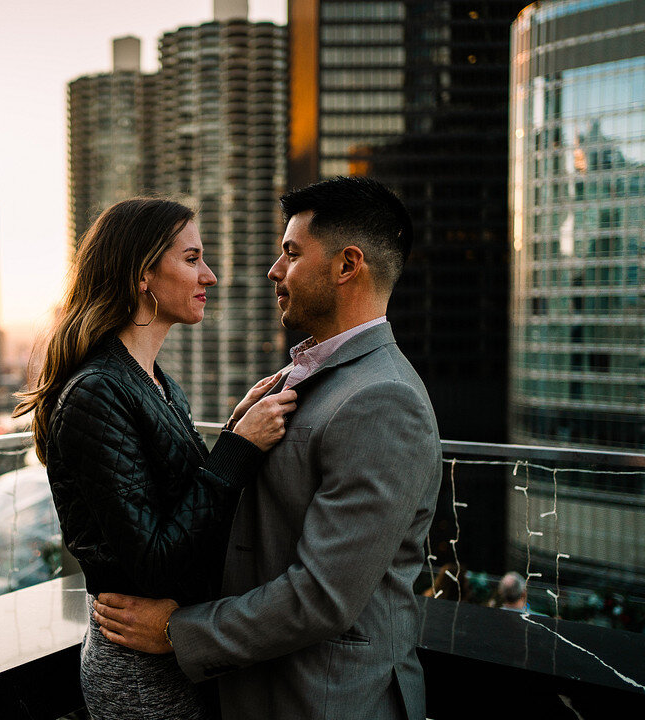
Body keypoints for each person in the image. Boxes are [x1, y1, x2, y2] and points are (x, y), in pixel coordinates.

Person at [92, 177, 443, 720]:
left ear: (348, 265)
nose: (274, 271)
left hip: (328, 702)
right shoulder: (305, 378)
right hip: (265, 690)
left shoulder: (383, 399)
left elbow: (322, 597)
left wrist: (176, 631)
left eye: (291, 253)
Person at [13, 197, 296, 720]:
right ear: (143, 273)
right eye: (191, 259)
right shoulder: (97, 392)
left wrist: (237, 429)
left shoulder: (156, 384)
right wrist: (238, 448)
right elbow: (154, 560)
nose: (209, 275)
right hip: (141, 671)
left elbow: (182, 503)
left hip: (180, 651)